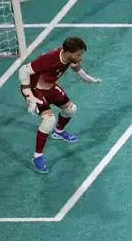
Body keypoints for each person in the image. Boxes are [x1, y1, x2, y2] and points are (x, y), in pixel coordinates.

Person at [18, 36, 102, 174]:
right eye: (78, 55)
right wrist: (29, 97)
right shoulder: (50, 60)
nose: (80, 57)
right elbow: (23, 70)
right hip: (34, 90)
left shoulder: (69, 58)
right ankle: (37, 157)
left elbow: (78, 69)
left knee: (71, 110)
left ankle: (58, 132)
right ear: (68, 52)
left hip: (49, 87)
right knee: (49, 120)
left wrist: (88, 79)